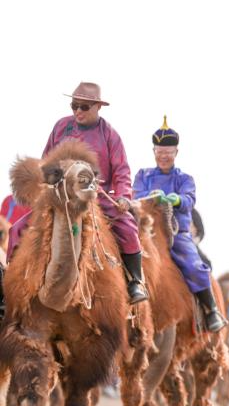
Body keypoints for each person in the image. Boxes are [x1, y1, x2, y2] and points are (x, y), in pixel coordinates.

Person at [6, 82, 148, 303]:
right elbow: (47, 160)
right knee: (17, 229)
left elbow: (121, 171)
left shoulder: (110, 135)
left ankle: (135, 283)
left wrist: (123, 197)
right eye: (75, 106)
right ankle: (10, 284)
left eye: (84, 107)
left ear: (98, 107)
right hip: (60, 195)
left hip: (97, 197)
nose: (78, 111)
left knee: (128, 228)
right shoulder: (61, 127)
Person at [132, 117, 226, 331]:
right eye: (160, 151)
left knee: (194, 265)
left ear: (176, 153)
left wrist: (173, 199)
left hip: (176, 231)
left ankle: (210, 309)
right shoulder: (142, 175)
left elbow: (188, 200)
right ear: (154, 152)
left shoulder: (185, 179)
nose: (163, 156)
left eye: (168, 152)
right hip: (146, 230)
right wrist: (150, 197)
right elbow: (136, 195)